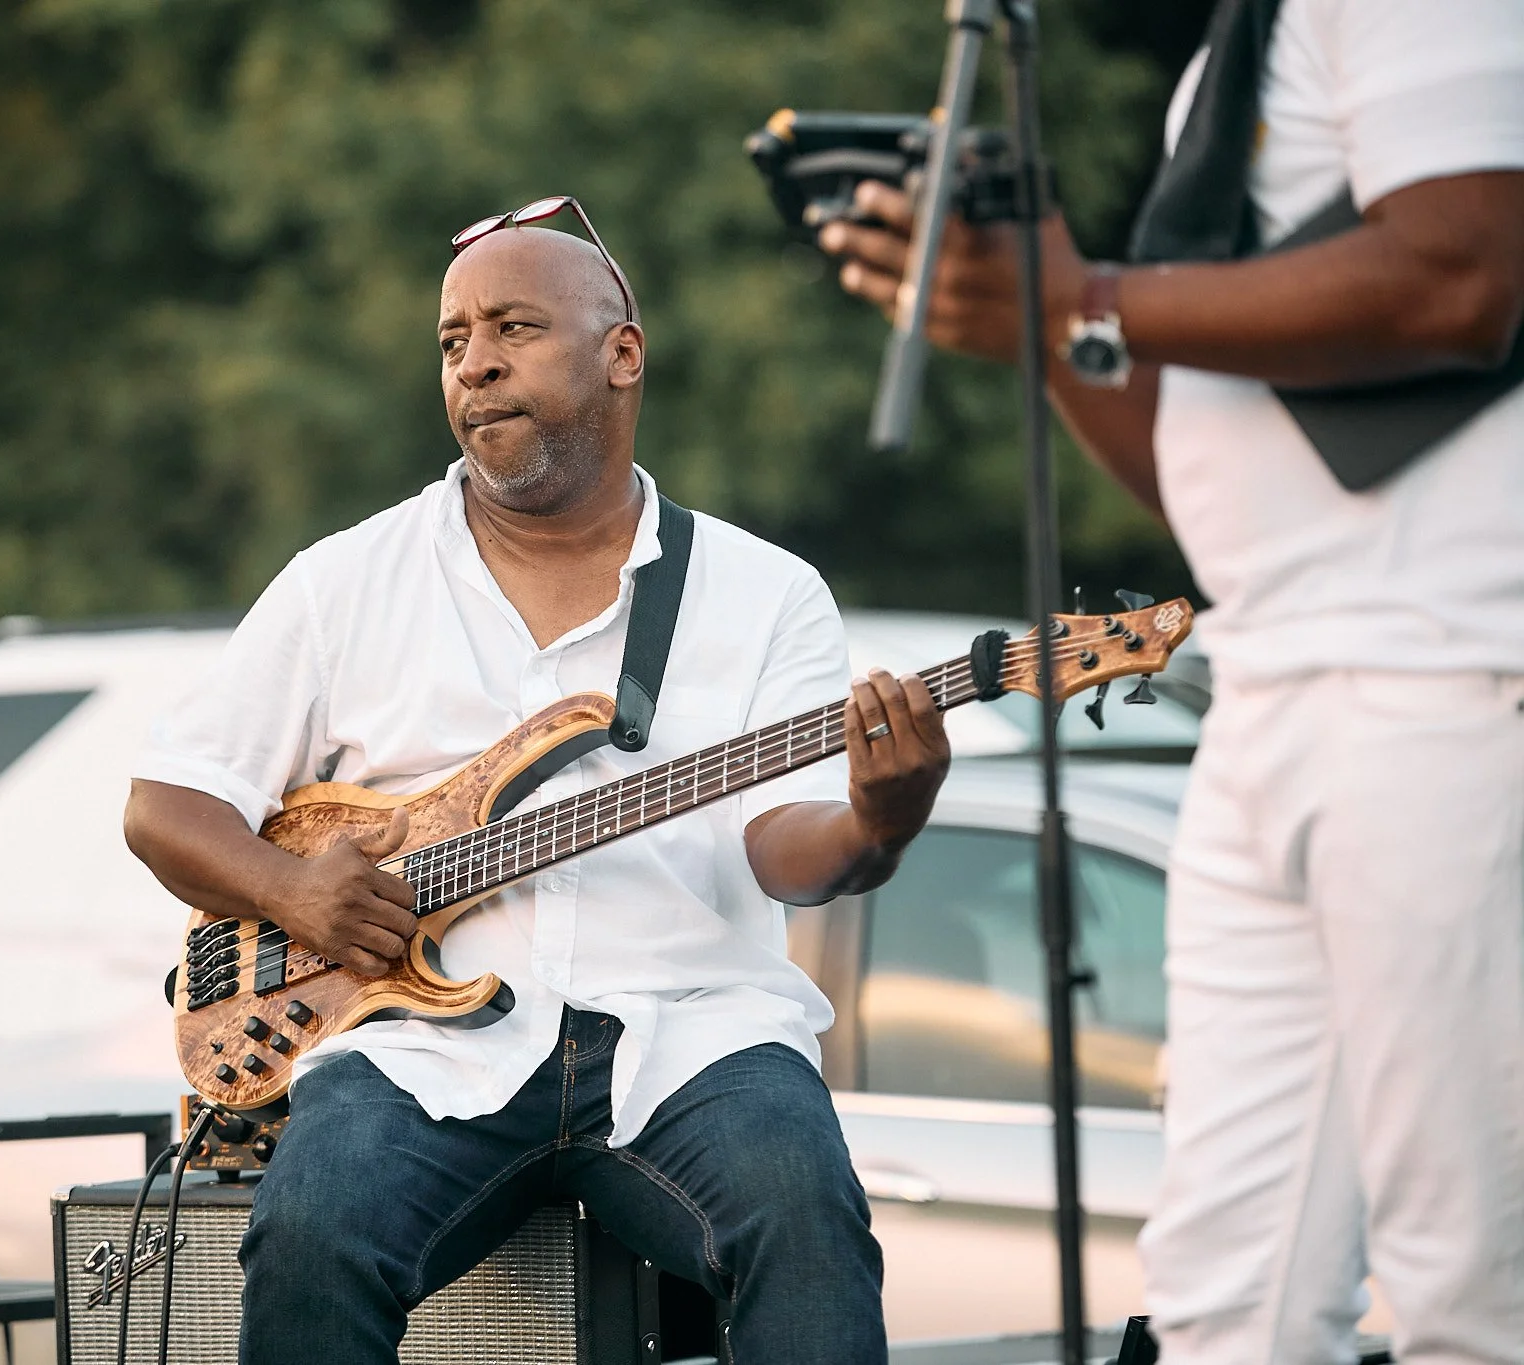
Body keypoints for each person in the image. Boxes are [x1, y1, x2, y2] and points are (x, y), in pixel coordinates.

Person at [125, 204, 952, 1364]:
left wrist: (880, 816)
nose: (476, 363)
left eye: (513, 327)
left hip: (693, 1036)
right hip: (421, 1047)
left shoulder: (763, 594)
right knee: (308, 1230)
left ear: (622, 353)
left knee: (806, 1219)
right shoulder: (343, 581)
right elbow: (165, 805)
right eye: (452, 340)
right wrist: (294, 891)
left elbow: (780, 844)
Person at [822, 1, 1524, 1361]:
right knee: (1225, 1300)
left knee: (1475, 1287)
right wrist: (1042, 309)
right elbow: (1185, 461)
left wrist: (1081, 297)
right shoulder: (1229, 57)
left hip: (1443, 678)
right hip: (1272, 691)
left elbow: (1466, 275)